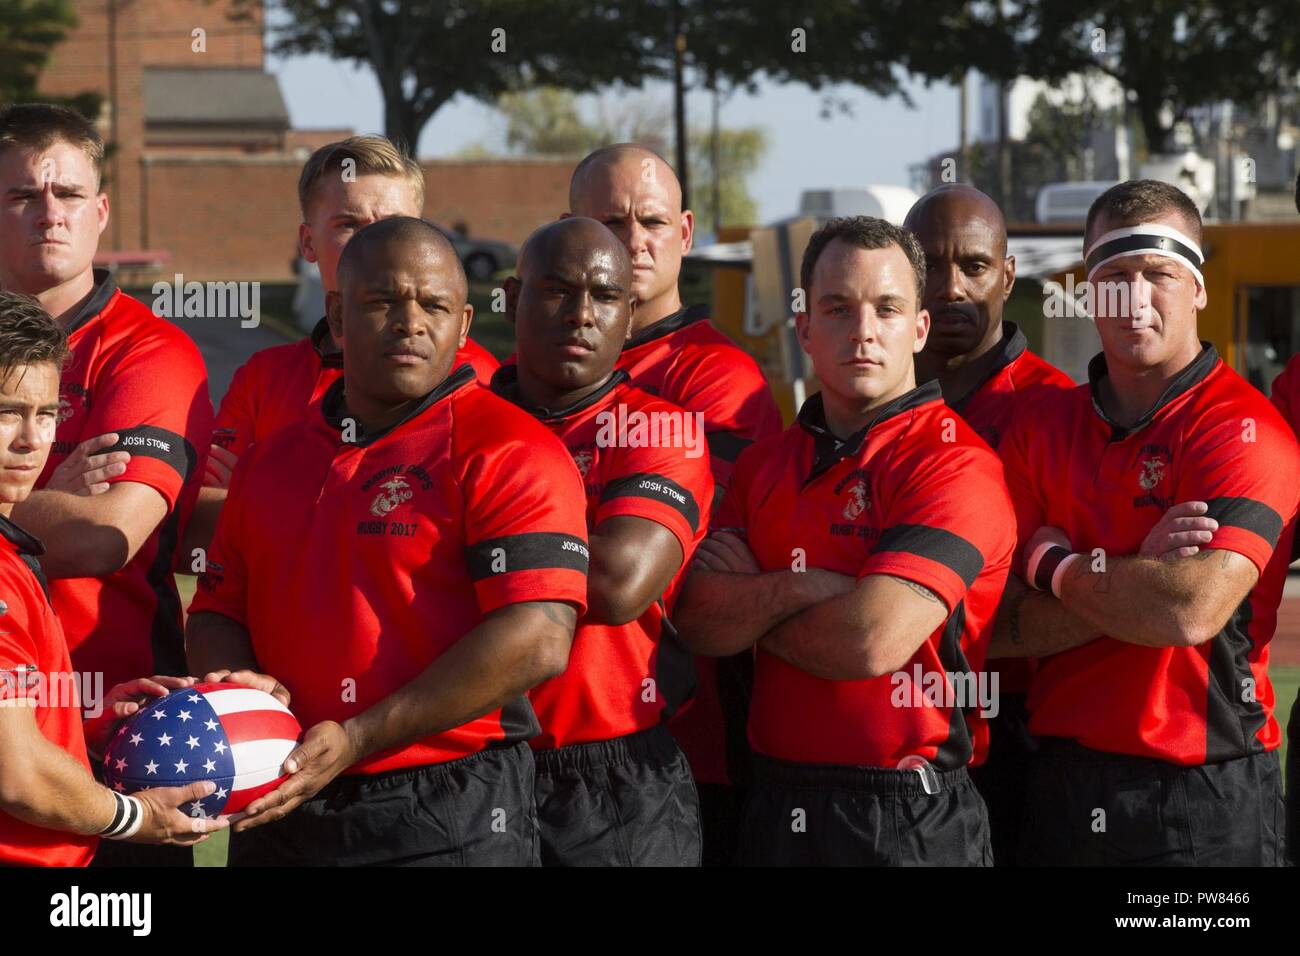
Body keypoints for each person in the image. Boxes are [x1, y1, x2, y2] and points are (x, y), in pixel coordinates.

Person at [187, 217, 590, 866]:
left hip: (447, 807)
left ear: (463, 325)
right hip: (281, 787)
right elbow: (216, 609)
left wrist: (356, 736)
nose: (410, 322)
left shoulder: (511, 448)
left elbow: (539, 636)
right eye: (382, 303)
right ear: (339, 318)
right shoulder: (272, 460)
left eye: (432, 305)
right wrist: (244, 689)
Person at [674, 216, 1014, 865]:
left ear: (918, 328)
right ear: (804, 328)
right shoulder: (762, 465)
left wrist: (754, 600)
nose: (863, 331)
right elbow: (695, 621)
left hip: (909, 809)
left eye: (887, 309)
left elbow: (870, 639)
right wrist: (806, 588)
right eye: (838, 308)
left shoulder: (955, 464)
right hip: (773, 800)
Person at [991, 179, 1299, 865]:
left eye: (1159, 274)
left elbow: (1188, 609)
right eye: (1113, 277)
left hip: (1203, 791)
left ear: (1198, 288)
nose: (1134, 298)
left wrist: (1056, 567)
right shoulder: (1039, 426)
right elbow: (991, 628)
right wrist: (1139, 572)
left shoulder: (1245, 429)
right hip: (1060, 782)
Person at [0, 103, 214, 866]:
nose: (47, 214)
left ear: (100, 211)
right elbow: (67, 521)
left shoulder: (150, 352)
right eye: (23, 195)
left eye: (66, 195)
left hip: (123, 734)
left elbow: (100, 537)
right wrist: (54, 485)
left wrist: (10, 492)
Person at [567, 144, 783, 863]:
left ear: (685, 234)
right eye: (610, 219)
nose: (633, 240)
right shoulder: (537, 372)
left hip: (682, 739)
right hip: (540, 726)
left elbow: (682, 557)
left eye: (652, 220)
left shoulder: (718, 376)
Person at [492, 217, 713, 865]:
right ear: (511, 298)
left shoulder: (659, 430)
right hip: (469, 767)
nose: (582, 314)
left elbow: (618, 584)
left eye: (606, 296)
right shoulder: (460, 423)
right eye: (558, 290)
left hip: (617, 781)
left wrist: (473, 545)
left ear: (630, 310)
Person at [189, 135, 499, 552]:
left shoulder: (477, 375)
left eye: (391, 225)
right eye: (348, 225)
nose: (371, 245)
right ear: (307, 243)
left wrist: (262, 495)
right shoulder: (264, 379)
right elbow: (196, 531)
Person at [903, 184, 1073, 865]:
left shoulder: (1060, 408)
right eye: (930, 267)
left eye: (972, 266)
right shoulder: (864, 402)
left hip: (1027, 721)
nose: (949, 288)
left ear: (1006, 275)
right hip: (889, 721)